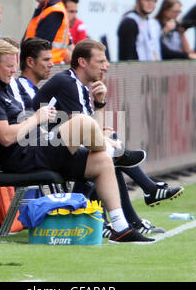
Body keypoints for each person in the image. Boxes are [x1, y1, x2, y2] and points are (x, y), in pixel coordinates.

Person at [0, 39, 154, 243]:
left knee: (101, 161)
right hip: (23, 158)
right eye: (10, 66)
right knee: (81, 122)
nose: (14, 70)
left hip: (37, 147)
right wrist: (36, 118)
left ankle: (121, 227)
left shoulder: (2, 86)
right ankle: (116, 152)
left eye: (15, 65)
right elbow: (5, 137)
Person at [33, 38, 185, 233]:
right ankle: (142, 193)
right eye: (101, 61)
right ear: (82, 62)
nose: (106, 66)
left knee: (108, 146)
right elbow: (84, 129)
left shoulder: (78, 85)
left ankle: (129, 211)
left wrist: (100, 103)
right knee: (107, 154)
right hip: (41, 151)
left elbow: (92, 129)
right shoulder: (68, 82)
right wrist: (108, 141)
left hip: (58, 146)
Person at [117, 0, 196, 62]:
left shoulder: (152, 24)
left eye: (154, 1)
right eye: (147, 0)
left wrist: (187, 56)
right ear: (138, 1)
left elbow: (162, 51)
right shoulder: (129, 22)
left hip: (150, 71)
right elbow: (127, 55)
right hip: (135, 72)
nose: (150, 3)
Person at [23, 0, 72, 64]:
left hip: (48, 66)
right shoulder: (45, 9)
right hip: (44, 64)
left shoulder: (54, 11)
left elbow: (39, 45)